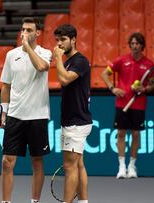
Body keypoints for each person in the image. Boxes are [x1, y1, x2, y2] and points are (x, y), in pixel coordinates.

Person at [0, 17, 52, 203]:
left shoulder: (45, 53)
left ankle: (34, 201)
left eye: (29, 30)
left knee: (37, 162)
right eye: (23, 30)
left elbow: (41, 67)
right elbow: (5, 86)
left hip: (37, 116)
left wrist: (28, 47)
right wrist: (3, 112)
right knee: (7, 162)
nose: (25, 33)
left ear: (38, 33)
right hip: (14, 116)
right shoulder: (11, 55)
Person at [101, 32, 154, 179]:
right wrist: (113, 88)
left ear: (142, 46)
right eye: (132, 43)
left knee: (136, 134)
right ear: (130, 45)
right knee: (121, 134)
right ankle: (121, 166)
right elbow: (104, 74)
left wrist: (143, 89)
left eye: (137, 43)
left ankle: (132, 165)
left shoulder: (149, 64)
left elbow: (151, 86)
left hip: (139, 104)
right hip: (122, 102)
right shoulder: (121, 60)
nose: (135, 46)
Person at [53, 24, 92, 203]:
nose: (59, 44)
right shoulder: (69, 61)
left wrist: (57, 59)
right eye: (57, 40)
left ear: (74, 39)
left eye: (63, 40)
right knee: (78, 165)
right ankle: (83, 201)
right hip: (72, 120)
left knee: (70, 167)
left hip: (76, 122)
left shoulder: (80, 61)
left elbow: (64, 79)